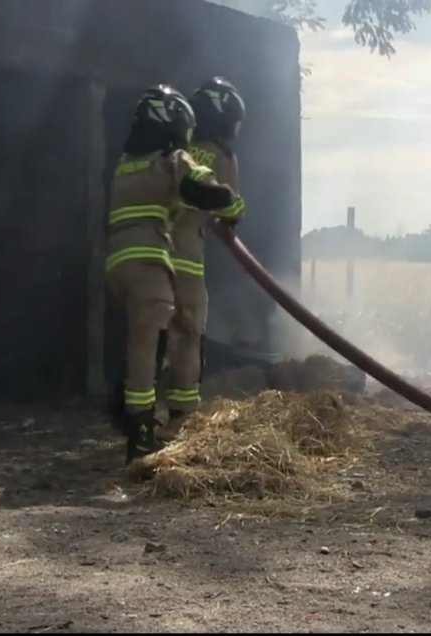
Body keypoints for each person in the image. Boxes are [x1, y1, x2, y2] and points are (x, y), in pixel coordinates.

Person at [105, 85, 239, 464]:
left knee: (146, 344)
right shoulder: (171, 160)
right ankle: (142, 435)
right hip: (150, 265)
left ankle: (136, 422)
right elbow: (207, 191)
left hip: (119, 266)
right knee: (150, 347)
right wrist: (225, 197)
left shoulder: (127, 164)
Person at [158, 77, 248, 442]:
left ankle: (145, 415)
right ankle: (182, 418)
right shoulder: (222, 157)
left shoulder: (173, 151)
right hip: (186, 260)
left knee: (154, 334)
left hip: (151, 255)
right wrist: (233, 214)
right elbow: (231, 207)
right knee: (189, 333)